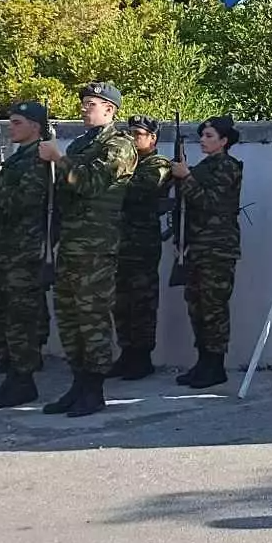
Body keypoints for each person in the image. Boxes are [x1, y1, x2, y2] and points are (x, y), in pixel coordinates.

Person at [40, 82, 134, 415]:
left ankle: (94, 389)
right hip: (70, 242)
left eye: (91, 103)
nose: (83, 108)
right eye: (83, 103)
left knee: (92, 317)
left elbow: (90, 183)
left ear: (110, 109)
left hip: (96, 246)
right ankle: (78, 383)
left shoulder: (119, 146)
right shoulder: (82, 143)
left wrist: (59, 159)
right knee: (69, 317)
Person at [0, 101, 53, 409]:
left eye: (17, 122)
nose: (11, 127)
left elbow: (25, 201)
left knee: (23, 317)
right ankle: (15, 374)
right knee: (10, 314)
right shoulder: (20, 157)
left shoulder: (37, 158)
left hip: (27, 250)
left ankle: (23, 379)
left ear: (35, 126)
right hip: (11, 248)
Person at [169, 116, 243, 389]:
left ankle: (215, 365)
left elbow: (210, 202)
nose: (203, 140)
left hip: (218, 248)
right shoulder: (204, 167)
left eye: (209, 136)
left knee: (214, 308)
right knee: (197, 306)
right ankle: (203, 361)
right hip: (196, 246)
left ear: (224, 141)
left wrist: (186, 177)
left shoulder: (228, 167)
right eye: (202, 135)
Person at [114, 114, 168, 381]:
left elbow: (134, 191)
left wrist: (116, 177)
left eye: (138, 135)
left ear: (152, 138)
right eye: (129, 134)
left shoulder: (158, 164)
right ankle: (126, 352)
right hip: (119, 243)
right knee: (120, 301)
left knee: (142, 302)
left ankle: (142, 356)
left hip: (142, 245)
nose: (132, 140)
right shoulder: (128, 162)